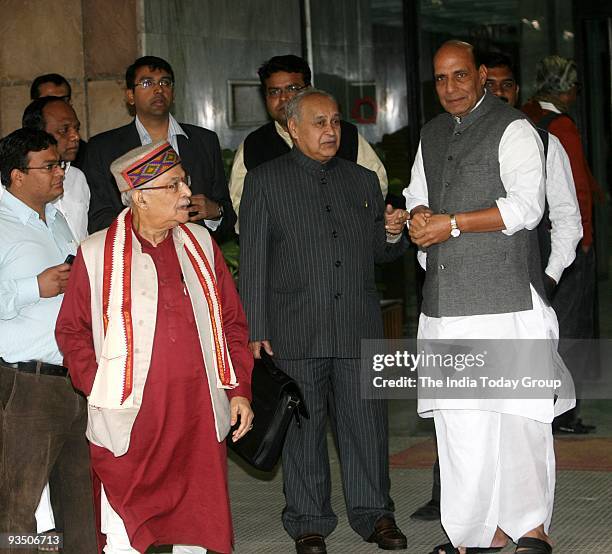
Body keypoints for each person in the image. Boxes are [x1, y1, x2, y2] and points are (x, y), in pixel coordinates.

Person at [404, 40, 574, 554]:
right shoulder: (431, 134)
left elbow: (526, 207)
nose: (450, 88)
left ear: (481, 76)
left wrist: (450, 225)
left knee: (519, 420)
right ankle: (475, 535)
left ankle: (529, 529)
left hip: (509, 305)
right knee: (462, 428)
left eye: (460, 76)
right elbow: (418, 196)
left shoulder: (515, 128)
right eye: (440, 79)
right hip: (445, 306)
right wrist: (414, 219)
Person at [55, 140, 253, 553]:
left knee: (196, 530)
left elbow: (232, 322)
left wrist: (238, 392)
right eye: (174, 185)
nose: (187, 194)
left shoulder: (200, 244)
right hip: (130, 419)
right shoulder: (95, 254)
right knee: (125, 532)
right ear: (140, 197)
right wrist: (100, 384)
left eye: (185, 183)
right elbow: (72, 332)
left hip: (198, 416)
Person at [239, 88, 408, 554]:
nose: (331, 130)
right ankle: (308, 521)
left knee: (367, 428)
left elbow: (382, 252)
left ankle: (376, 516)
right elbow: (253, 260)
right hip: (295, 329)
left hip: (357, 325)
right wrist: (256, 329)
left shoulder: (362, 180)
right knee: (302, 432)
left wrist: (393, 233)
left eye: (335, 121)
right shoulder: (265, 180)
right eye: (319, 122)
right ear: (293, 128)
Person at [0, 128, 97, 553]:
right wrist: (32, 287)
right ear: (17, 176)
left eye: (61, 163)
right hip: (27, 386)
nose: (62, 172)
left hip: (73, 379)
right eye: (50, 166)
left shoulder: (55, 218)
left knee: (81, 508)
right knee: (16, 509)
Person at [522, 55, 600, 434]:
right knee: (570, 326)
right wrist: (584, 240)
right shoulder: (561, 127)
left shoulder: (526, 116)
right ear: (566, 89)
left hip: (535, 237)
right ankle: (564, 413)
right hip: (563, 240)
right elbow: (577, 190)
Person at [229, 54, 388, 232]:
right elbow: (241, 210)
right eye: (274, 92)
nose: (283, 98)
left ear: (309, 89)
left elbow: (376, 184)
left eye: (292, 88)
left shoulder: (341, 134)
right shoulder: (253, 146)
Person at [83, 56, 236, 240]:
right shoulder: (103, 148)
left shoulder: (204, 140)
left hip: (195, 254)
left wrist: (215, 212)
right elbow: (99, 218)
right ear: (130, 95)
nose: (159, 89)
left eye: (165, 82)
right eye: (147, 83)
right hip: (137, 260)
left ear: (173, 93)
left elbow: (227, 213)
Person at [22, 96, 90, 242]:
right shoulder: (10, 184)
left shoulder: (77, 177)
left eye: (76, 128)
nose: (75, 136)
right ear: (38, 135)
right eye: (64, 130)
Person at [30, 73, 87, 169]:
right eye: (48, 100)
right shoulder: (12, 152)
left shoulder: (86, 154)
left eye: (62, 100)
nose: (57, 105)